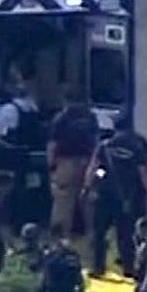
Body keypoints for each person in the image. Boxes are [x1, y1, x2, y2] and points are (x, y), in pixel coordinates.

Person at [0, 59, 50, 233]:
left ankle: (6, 234)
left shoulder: (8, 110)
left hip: (12, 163)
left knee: (7, 201)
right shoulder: (34, 107)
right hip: (31, 161)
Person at [82, 127, 147, 278]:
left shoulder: (105, 146)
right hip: (127, 197)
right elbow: (142, 173)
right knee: (125, 234)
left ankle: (98, 267)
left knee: (99, 233)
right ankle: (128, 268)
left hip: (104, 195)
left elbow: (95, 168)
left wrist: (90, 185)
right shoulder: (136, 147)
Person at [47, 93, 99, 236]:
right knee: (89, 201)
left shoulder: (61, 118)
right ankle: (92, 235)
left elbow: (53, 144)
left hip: (66, 163)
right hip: (87, 163)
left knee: (63, 201)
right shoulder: (91, 117)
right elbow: (96, 142)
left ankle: (61, 238)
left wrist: (51, 166)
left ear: (66, 100)